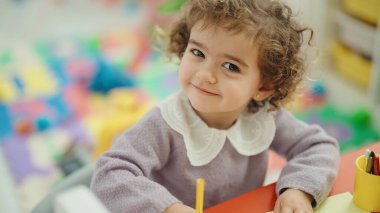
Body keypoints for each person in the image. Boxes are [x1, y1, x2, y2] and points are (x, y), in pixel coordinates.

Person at [90, 0, 340, 212]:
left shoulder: (264, 117)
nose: (205, 74)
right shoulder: (164, 124)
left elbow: (318, 146)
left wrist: (298, 188)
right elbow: (109, 173)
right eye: (198, 53)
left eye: (231, 66)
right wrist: (167, 207)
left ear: (263, 86)